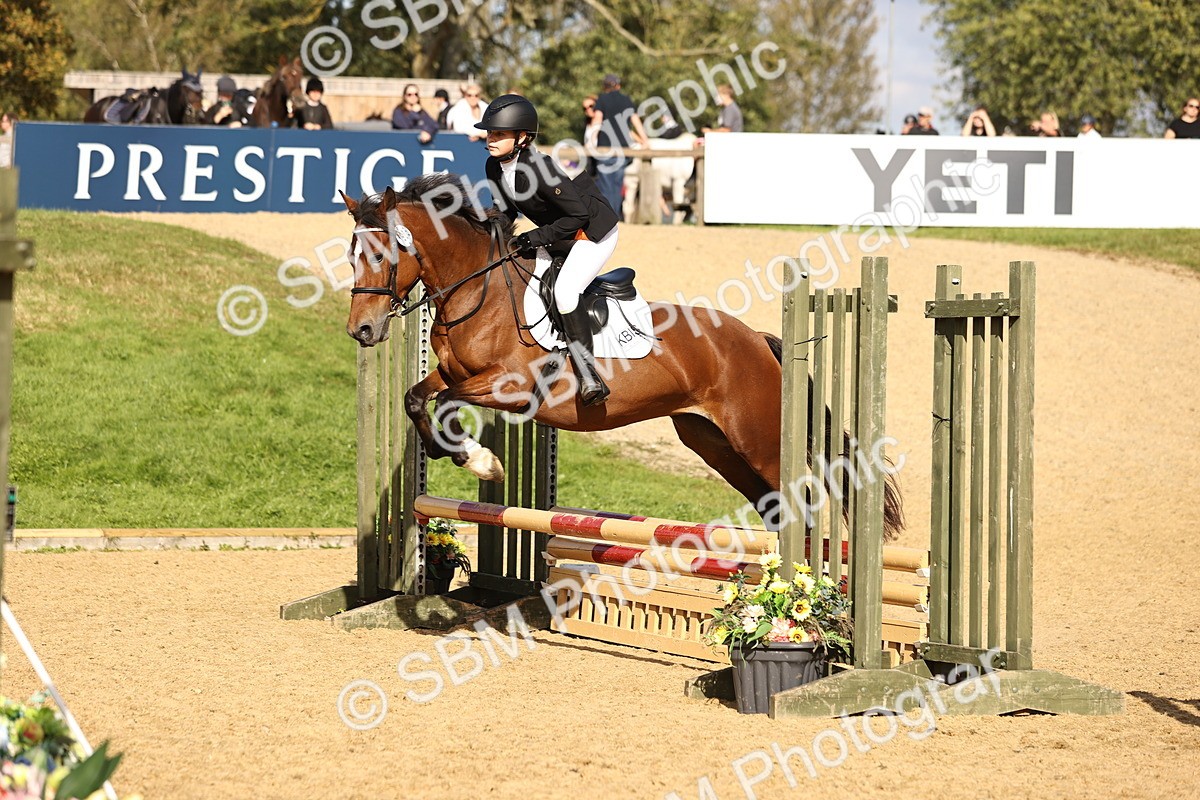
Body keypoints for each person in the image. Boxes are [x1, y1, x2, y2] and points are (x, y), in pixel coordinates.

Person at [477, 94, 619, 406]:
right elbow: (506, 211)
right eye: (490, 133)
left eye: (499, 134)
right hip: (558, 230)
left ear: (522, 137)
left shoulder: (541, 167)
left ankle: (588, 375)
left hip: (591, 231)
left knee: (565, 292)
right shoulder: (493, 165)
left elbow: (578, 216)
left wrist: (534, 237)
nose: (491, 139)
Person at [592, 74, 650, 220]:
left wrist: (591, 140)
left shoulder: (602, 99)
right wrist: (645, 140)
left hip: (605, 148)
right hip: (622, 149)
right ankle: (615, 216)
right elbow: (635, 120)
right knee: (618, 186)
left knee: (605, 184)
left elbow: (597, 120)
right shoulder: (626, 100)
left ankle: (606, 218)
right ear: (618, 86)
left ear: (605, 87)